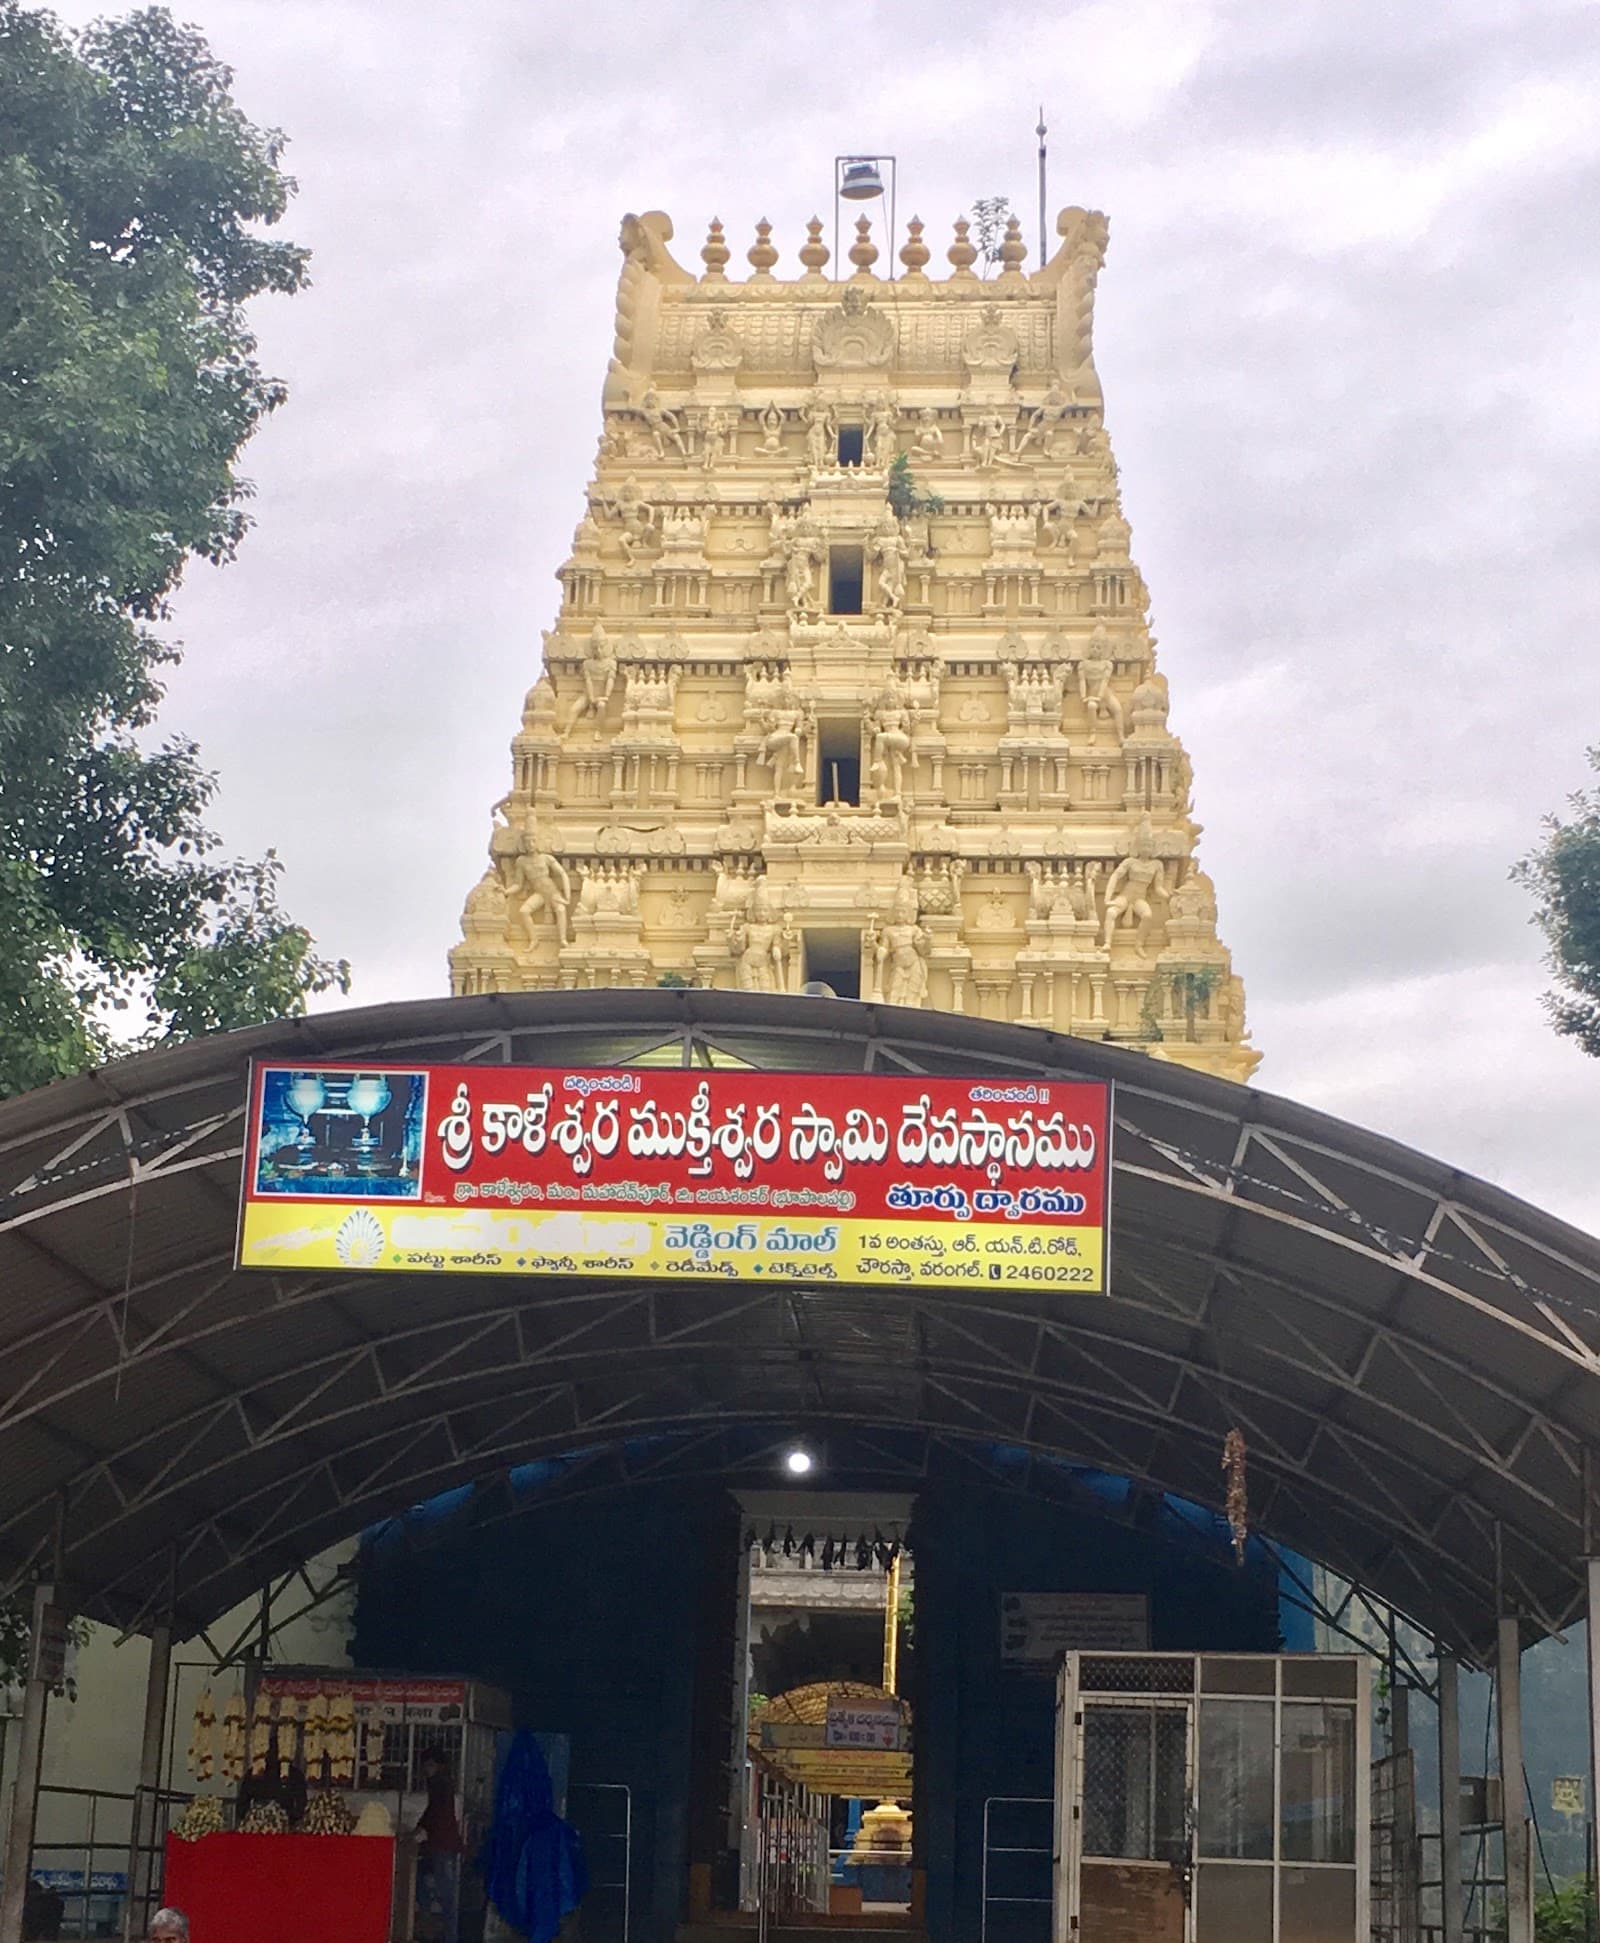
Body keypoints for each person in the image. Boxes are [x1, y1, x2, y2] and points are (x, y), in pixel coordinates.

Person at [415, 1749, 463, 1942]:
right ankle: (429, 1926)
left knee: (445, 1893)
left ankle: (450, 1935)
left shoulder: (440, 1783)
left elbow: (434, 1811)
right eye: (426, 1766)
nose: (427, 1770)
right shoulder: (440, 1782)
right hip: (436, 1843)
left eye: (430, 1765)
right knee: (421, 1880)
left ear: (439, 1766)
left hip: (442, 1844)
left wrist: (420, 1827)